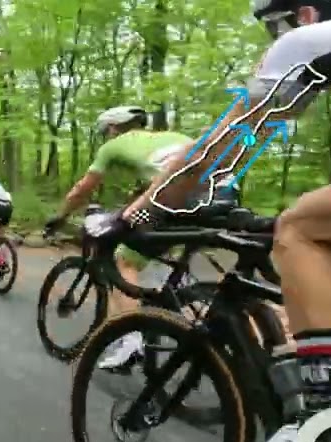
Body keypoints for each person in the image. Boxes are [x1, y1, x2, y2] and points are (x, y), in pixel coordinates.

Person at [96, 0, 331, 442]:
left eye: (272, 26)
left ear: (304, 14)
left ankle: (324, 428)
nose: (271, 40)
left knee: (300, 228)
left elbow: (210, 159)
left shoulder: (302, 43)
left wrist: (131, 217)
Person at [44, 106, 215, 369]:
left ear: (114, 127)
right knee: (159, 251)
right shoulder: (171, 137)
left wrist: (61, 215)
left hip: (175, 199)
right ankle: (205, 316)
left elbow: (82, 189)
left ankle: (131, 342)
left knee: (124, 258)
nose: (107, 136)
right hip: (217, 196)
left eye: (107, 131)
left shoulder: (113, 146)